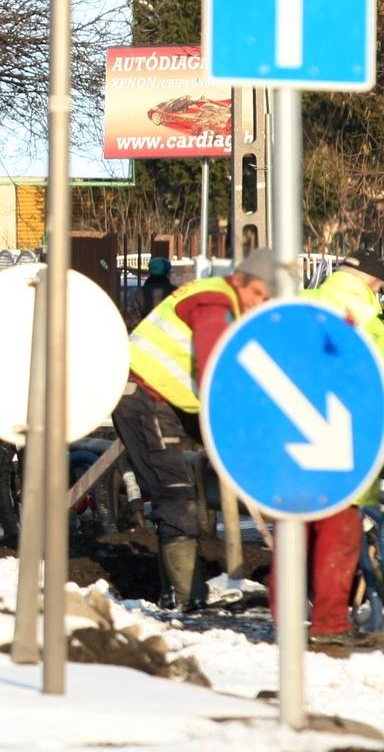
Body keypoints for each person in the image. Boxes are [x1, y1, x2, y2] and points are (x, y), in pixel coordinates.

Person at [113, 248, 276, 610]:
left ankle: (180, 591)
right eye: (259, 296)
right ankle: (187, 599)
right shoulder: (215, 303)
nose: (258, 305)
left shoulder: (220, 300)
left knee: (182, 492)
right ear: (244, 282)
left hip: (164, 399)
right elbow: (213, 366)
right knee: (176, 495)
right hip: (144, 398)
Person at [272, 251, 384, 645]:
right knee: (339, 533)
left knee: (296, 527)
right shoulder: (366, 315)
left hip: (292, 438)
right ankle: (331, 625)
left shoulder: (307, 299)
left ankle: (284, 616)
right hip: (341, 440)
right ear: (375, 283)